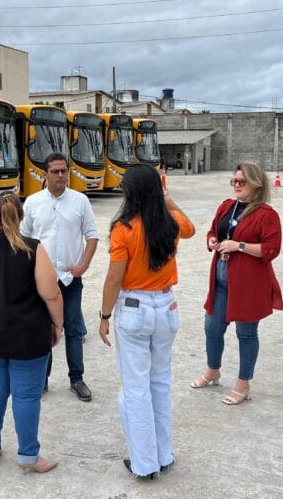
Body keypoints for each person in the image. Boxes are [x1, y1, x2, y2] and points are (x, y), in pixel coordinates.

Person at [98, 164, 195, 479]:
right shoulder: (171, 223)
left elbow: (114, 278)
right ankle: (163, 455)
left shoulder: (124, 228)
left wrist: (104, 316)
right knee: (160, 382)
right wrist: (167, 199)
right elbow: (191, 228)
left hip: (135, 308)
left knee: (136, 388)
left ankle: (144, 463)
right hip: (166, 306)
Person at [0, 193, 64, 473]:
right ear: (22, 216)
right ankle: (28, 456)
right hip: (27, 336)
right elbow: (51, 293)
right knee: (26, 397)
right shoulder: (33, 249)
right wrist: (57, 325)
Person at [191, 162, 283, 405]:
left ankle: (243, 384)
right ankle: (213, 370)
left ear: (256, 184)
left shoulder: (266, 215)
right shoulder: (226, 207)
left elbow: (271, 249)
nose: (236, 185)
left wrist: (239, 246)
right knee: (212, 326)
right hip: (221, 278)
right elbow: (214, 230)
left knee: (246, 332)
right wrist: (212, 240)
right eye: (234, 181)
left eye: (241, 182)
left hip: (249, 283)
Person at [21, 152, 99, 402]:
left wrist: (84, 264)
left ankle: (77, 379)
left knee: (73, 329)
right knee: (43, 330)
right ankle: (41, 380)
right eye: (55, 171)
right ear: (45, 174)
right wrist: (28, 268)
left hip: (69, 279)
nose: (60, 175)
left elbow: (92, 235)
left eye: (64, 170)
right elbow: (23, 237)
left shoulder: (80, 201)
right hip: (42, 280)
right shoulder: (33, 202)